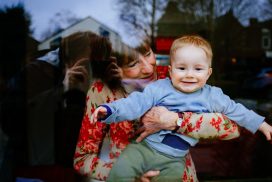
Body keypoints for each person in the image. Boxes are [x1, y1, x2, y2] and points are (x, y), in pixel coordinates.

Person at [92, 35, 272, 181]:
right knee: (121, 169)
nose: (189, 75)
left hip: (174, 159)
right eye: (182, 68)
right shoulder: (159, 88)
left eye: (198, 69)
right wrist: (109, 111)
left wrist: (262, 125)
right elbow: (134, 103)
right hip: (144, 148)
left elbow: (236, 113)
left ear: (208, 73)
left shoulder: (212, 96)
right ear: (170, 71)